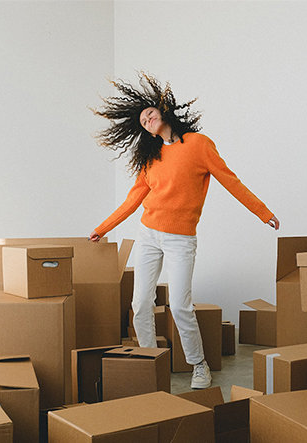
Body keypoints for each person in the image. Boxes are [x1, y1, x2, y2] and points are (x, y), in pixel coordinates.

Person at [89, 72, 279, 389]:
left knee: (179, 305)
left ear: (163, 110)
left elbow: (231, 181)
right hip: (149, 234)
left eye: (149, 113)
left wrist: (263, 213)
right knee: (140, 305)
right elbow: (133, 200)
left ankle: (199, 365)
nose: (147, 119)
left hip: (180, 238)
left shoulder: (198, 146)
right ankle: (150, 364)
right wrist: (102, 228)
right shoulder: (150, 158)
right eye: (142, 120)